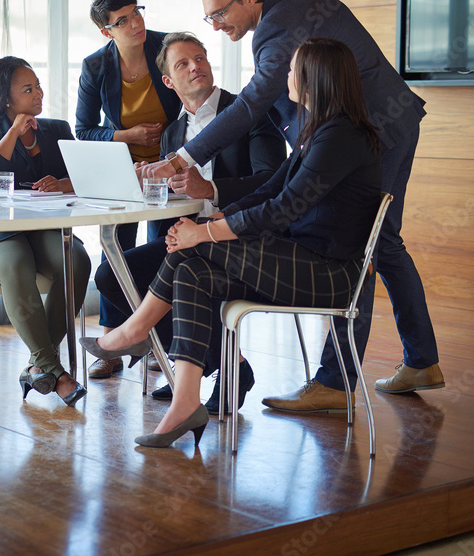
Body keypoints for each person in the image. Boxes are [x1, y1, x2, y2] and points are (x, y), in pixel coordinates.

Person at [143, 0, 444, 411]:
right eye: (209, 17)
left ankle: (337, 382)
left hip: (381, 129)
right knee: (384, 243)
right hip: (369, 129)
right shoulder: (286, 14)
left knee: (369, 245)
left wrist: (183, 157)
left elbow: (250, 106)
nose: (216, 23)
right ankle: (419, 360)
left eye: (219, 12)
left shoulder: (281, 25)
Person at [82, 38, 383, 447]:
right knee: (191, 268)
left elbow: (282, 209)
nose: (286, 77)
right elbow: (272, 190)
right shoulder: (321, 132)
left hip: (328, 273)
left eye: (293, 70)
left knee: (191, 248)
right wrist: (218, 217)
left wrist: (203, 231)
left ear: (316, 79)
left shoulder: (340, 137)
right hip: (303, 260)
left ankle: (134, 329)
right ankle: (186, 400)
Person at [91, 31, 285, 409]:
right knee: (112, 274)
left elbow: (274, 181)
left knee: (182, 274)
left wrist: (211, 189)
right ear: (168, 81)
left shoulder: (249, 113)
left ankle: (196, 369)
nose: (196, 66)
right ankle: (220, 364)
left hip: (242, 236)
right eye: (183, 63)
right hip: (193, 239)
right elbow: (175, 201)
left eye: (200, 58)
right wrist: (152, 184)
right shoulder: (173, 133)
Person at [0, 56, 90, 406]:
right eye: (28, 89)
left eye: (38, 85)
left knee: (76, 262)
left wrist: (63, 184)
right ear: (6, 100)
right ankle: (53, 369)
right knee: (16, 261)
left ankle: (37, 367)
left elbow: (85, 177)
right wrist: (13, 133)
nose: (39, 93)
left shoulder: (58, 130)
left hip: (41, 230)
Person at [74, 0, 180, 380]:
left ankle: (159, 342)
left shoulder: (166, 47)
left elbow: (193, 101)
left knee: (162, 249)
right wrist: (128, 135)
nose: (136, 23)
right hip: (123, 170)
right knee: (115, 250)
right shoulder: (96, 67)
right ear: (106, 31)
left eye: (137, 13)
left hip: (171, 168)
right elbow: (83, 130)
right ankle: (110, 343)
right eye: (123, 20)